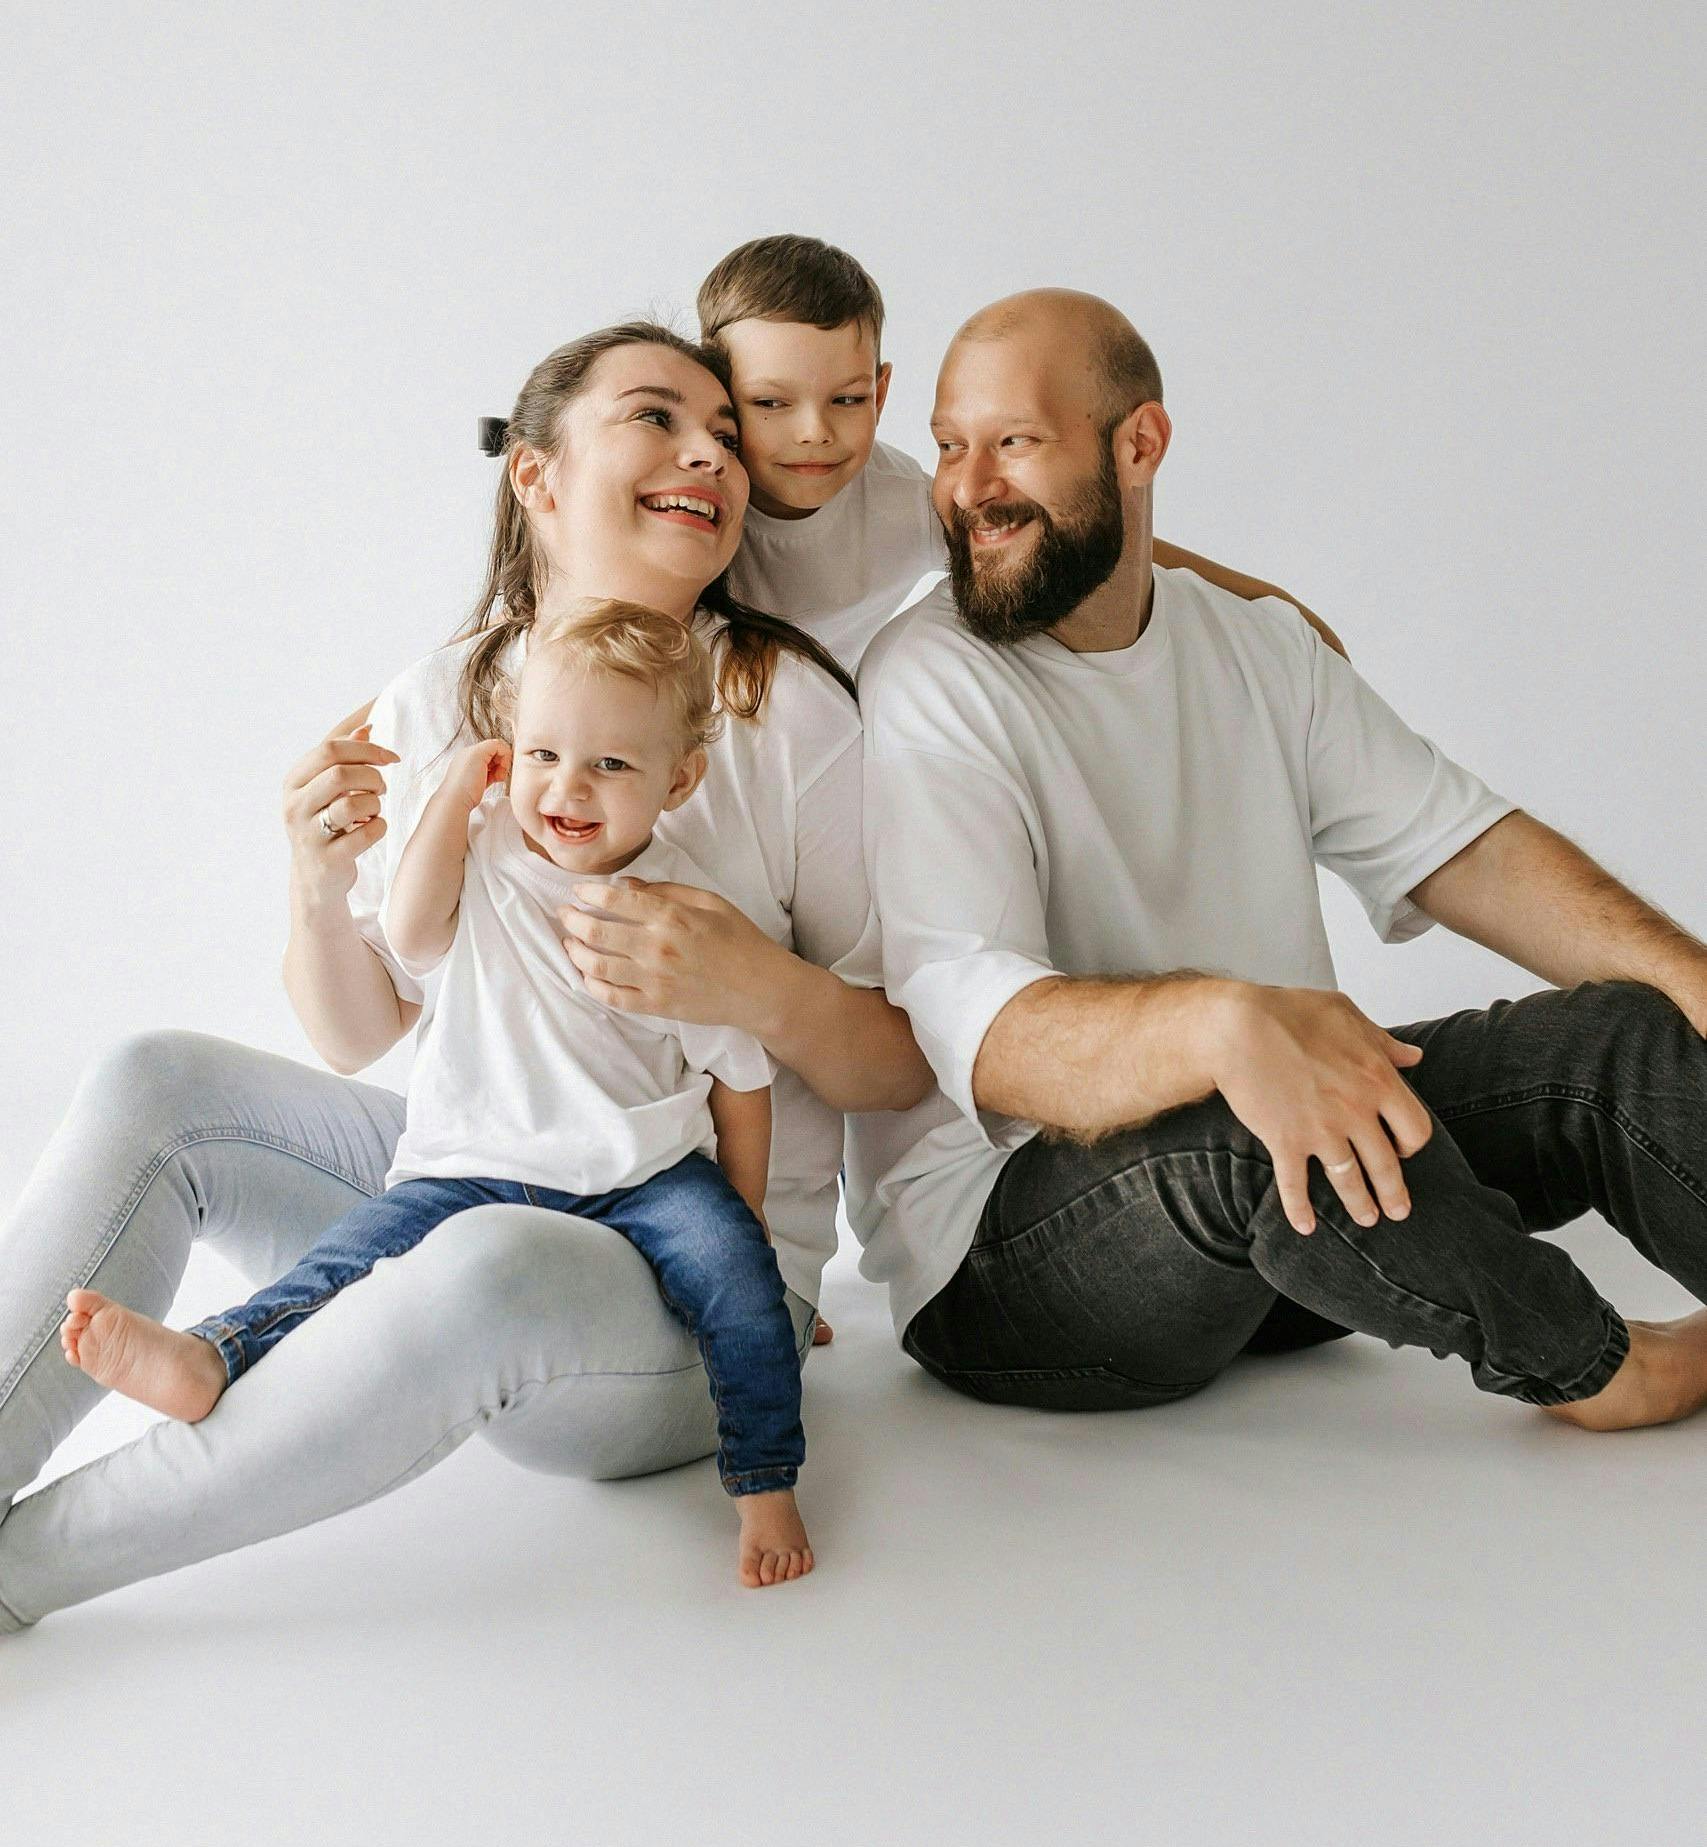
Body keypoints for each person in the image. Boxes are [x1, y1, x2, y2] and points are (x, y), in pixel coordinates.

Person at [0, 322, 929, 1630]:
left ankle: (17, 1579)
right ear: (536, 476)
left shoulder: (780, 710)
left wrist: (751, 986)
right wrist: (316, 886)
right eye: (657, 418)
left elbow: (900, 1065)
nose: (708, 451)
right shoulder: (440, 699)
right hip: (468, 1173)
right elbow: (354, 1034)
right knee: (154, 1080)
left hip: (676, 1273)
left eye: (725, 433)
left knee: (486, 1262)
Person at [854, 288, 1707, 1431]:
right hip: (1015, 1261)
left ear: (1139, 444)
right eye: (952, 447)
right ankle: (1603, 1370)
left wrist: (1697, 983)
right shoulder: (930, 677)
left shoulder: (1257, 645)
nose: (967, 487)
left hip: (1302, 1222)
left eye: (1014, 442)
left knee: (1625, 1031)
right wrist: (1224, 1026)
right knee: (1257, 1105)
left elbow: (1469, 851)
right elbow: (986, 1037)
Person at [57, 600, 816, 1587]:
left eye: (611, 766)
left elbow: (740, 1083)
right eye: (542, 754)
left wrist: (745, 1223)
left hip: (647, 1175)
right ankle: (211, 1353)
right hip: (471, 1165)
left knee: (741, 1291)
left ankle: (765, 1486)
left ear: (680, 778)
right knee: (347, 1266)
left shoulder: (684, 911)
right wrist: (455, 803)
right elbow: (413, 936)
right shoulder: (490, 849)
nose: (568, 789)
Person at [699, 232, 1350, 675]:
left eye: (845, 400)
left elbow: (1102, 549)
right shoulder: (682, 493)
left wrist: (1282, 618)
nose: (814, 433)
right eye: (770, 404)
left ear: (881, 389)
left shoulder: (902, 501)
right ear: (718, 392)